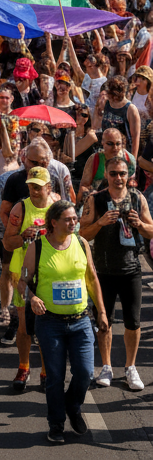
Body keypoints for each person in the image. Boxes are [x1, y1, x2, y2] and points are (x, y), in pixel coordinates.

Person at [18, 199, 109, 444]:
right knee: (55, 376)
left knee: (85, 372)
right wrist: (33, 297)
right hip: (50, 323)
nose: (73, 223)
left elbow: (91, 278)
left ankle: (73, 406)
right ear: (53, 222)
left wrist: (101, 311)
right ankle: (56, 423)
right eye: (68, 219)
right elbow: (22, 281)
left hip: (80, 321)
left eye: (75, 218)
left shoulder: (81, 243)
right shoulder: (36, 247)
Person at [79, 154, 153, 391]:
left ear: (128, 175)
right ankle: (107, 366)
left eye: (122, 174)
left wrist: (139, 225)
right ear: (106, 175)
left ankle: (130, 367)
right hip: (103, 270)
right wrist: (100, 223)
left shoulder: (137, 197)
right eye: (113, 174)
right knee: (104, 321)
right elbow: (82, 235)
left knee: (133, 322)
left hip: (131, 268)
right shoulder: (95, 199)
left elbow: (151, 231)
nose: (118, 178)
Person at [4, 165, 56, 391]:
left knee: (48, 325)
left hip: (49, 272)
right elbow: (7, 242)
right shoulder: (20, 208)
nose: (34, 191)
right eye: (30, 187)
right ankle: (24, 368)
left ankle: (46, 372)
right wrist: (23, 237)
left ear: (48, 187)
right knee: (25, 325)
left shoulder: (57, 208)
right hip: (23, 273)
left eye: (38, 187)